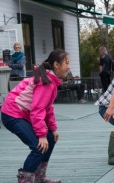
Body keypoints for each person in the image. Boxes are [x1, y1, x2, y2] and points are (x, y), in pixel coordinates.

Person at [1, 49, 70, 182]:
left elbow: (47, 107)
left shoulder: (50, 80)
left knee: (50, 138)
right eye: (67, 63)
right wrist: (41, 135)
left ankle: (39, 177)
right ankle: (25, 180)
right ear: (56, 64)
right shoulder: (46, 82)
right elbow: (37, 110)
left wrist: (53, 129)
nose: (69, 66)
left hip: (22, 113)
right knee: (38, 146)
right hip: (11, 113)